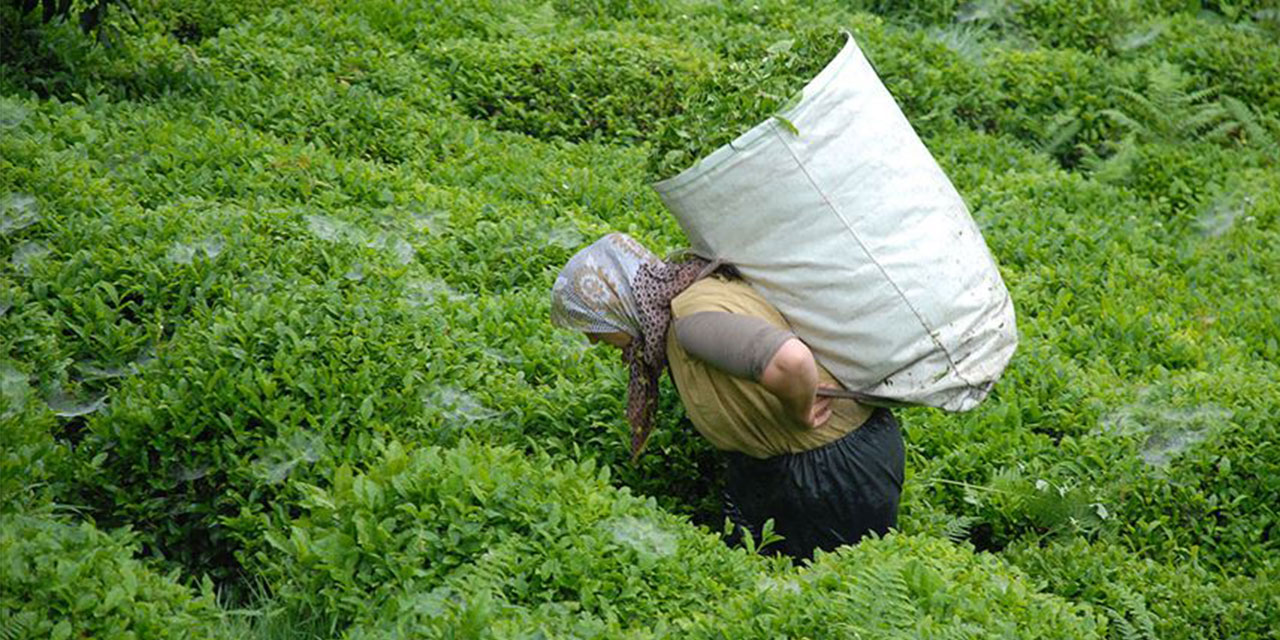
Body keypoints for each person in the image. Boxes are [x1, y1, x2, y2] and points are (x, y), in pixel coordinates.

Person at [550, 232, 905, 561]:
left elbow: (791, 360)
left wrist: (801, 411)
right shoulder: (683, 298)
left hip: (831, 472)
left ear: (615, 303)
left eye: (593, 327)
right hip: (787, 465)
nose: (593, 341)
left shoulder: (690, 321)